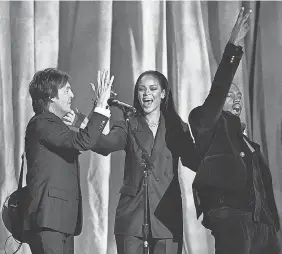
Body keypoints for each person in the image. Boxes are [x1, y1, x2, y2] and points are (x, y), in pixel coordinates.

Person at [63, 70, 200, 253]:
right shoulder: (129, 123)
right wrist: (84, 120)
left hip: (166, 217)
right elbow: (106, 145)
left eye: (153, 89)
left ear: (163, 93)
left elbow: (194, 160)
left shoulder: (177, 127)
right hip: (132, 218)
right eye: (142, 89)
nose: (147, 94)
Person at [189, 7, 281, 254]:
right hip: (232, 218)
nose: (237, 99)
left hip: (263, 225)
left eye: (239, 96)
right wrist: (233, 46)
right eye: (230, 95)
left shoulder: (249, 143)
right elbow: (218, 91)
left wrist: (273, 225)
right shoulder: (205, 121)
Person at [24, 68, 114, 254]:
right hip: (49, 221)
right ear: (50, 96)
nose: (72, 95)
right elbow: (82, 141)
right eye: (66, 90)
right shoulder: (42, 122)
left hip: (59, 222)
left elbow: (90, 139)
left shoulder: (54, 125)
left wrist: (99, 108)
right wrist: (100, 104)